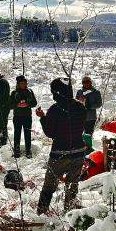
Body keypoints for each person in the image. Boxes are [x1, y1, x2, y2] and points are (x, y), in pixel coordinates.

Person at [36, 78, 87, 214]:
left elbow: (50, 132)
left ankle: (41, 212)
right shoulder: (80, 107)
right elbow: (83, 126)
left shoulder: (55, 109)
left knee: (49, 186)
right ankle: (70, 213)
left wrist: (42, 118)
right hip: (78, 151)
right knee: (72, 185)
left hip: (59, 153)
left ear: (56, 93)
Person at [8, 75, 38, 158]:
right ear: (18, 84)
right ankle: (17, 152)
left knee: (27, 134)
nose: (24, 84)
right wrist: (17, 105)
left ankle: (28, 151)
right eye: (22, 83)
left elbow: (34, 103)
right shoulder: (14, 93)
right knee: (17, 134)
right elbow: (10, 105)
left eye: (25, 83)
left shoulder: (30, 91)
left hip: (27, 116)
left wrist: (27, 104)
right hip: (17, 116)